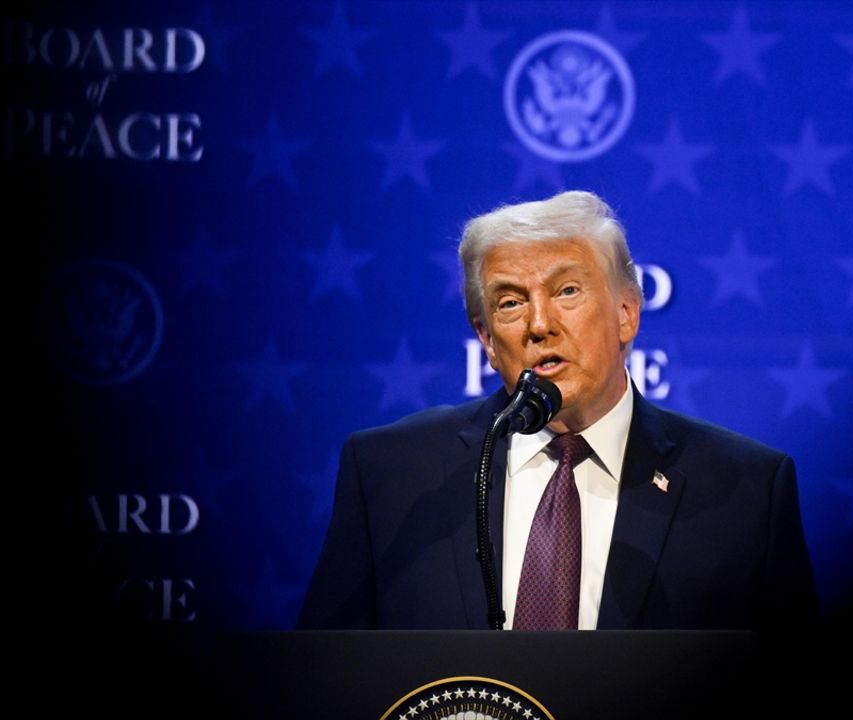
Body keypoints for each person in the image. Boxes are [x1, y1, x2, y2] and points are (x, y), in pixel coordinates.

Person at [298, 190, 816, 638]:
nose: (539, 324)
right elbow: (325, 678)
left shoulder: (746, 490)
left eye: (567, 290)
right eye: (509, 303)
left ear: (626, 313)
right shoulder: (392, 473)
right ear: (486, 340)